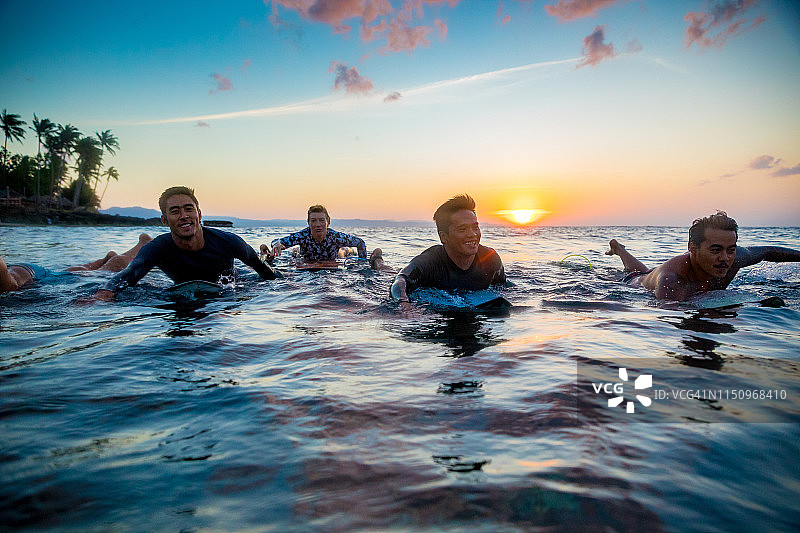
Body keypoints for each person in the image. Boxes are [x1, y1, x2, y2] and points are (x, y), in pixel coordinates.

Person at [92, 186, 277, 301]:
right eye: (175, 211)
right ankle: (111, 258)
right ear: (164, 220)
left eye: (189, 209)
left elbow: (262, 269)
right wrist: (104, 294)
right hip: (183, 292)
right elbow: (128, 275)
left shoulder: (229, 242)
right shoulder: (157, 248)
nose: (184, 216)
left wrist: (286, 288)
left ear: (200, 214)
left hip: (227, 289)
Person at [606, 211, 800, 301]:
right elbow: (675, 319)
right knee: (637, 275)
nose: (725, 258)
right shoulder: (673, 281)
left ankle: (619, 248)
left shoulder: (735, 257)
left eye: (730, 249)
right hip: (634, 283)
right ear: (693, 248)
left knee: (646, 271)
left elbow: (768, 251)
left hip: (653, 273)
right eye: (715, 250)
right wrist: (754, 305)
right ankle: (619, 249)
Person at [391, 194, 506, 302]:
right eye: (462, 229)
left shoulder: (490, 258)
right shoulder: (429, 262)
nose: (472, 234)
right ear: (444, 237)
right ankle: (378, 263)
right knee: (390, 272)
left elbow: (503, 287)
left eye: (475, 227)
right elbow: (400, 281)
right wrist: (404, 304)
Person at [1, 234, 153, 292]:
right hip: (28, 274)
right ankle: (106, 258)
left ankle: (143, 246)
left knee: (103, 273)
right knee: (78, 271)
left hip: (22, 276)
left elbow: (11, 286)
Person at [261, 205, 368, 264]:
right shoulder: (302, 235)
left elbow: (360, 243)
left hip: (332, 260)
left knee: (343, 253)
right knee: (296, 254)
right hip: (308, 261)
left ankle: (346, 251)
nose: (318, 225)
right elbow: (276, 241)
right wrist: (276, 245)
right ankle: (266, 254)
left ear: (328, 222)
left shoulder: (336, 237)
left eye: (321, 220)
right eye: (313, 220)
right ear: (308, 222)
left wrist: (362, 264)